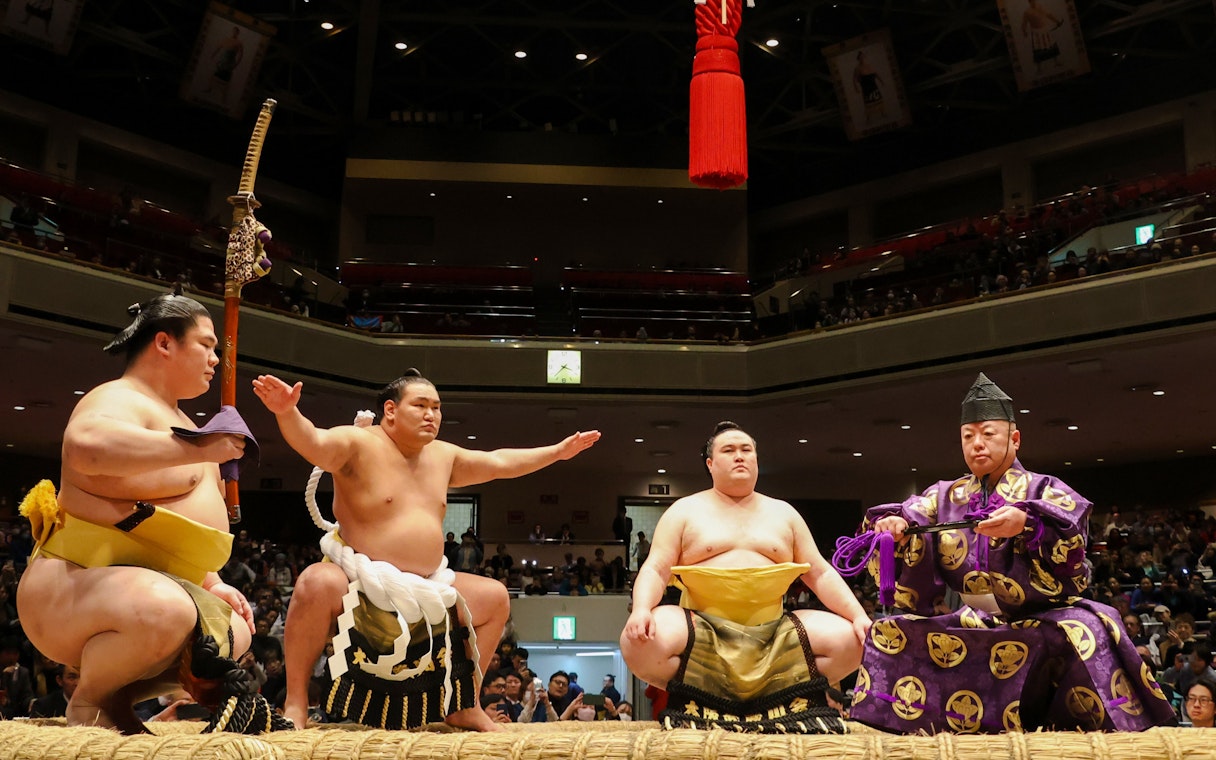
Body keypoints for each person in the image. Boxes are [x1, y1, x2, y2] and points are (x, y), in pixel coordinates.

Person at [252, 369, 600, 731]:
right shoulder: (357, 444)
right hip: (358, 581)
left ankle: (464, 704)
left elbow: (499, 463)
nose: (431, 414)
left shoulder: (443, 455)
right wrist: (286, 412)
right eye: (420, 405)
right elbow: (313, 442)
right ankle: (295, 701)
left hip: (427, 586)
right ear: (390, 410)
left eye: (436, 407)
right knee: (314, 581)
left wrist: (558, 452)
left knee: (495, 597)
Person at [850, 373, 1176, 733]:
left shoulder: (1043, 488)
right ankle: (896, 732)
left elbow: (1069, 525)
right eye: (968, 436)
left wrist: (1028, 523)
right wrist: (893, 528)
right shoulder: (944, 495)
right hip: (974, 617)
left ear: (1015, 439)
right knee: (890, 629)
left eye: (988, 434)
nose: (977, 444)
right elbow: (910, 513)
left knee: (1085, 630)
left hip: (1047, 615)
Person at [14, 293, 263, 735]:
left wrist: (213, 582)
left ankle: (119, 699)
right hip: (74, 583)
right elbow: (86, 447)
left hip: (138, 586)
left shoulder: (183, 419)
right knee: (166, 609)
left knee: (233, 631)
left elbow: (173, 531)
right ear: (164, 343)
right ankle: (90, 702)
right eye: (207, 345)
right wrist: (195, 445)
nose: (215, 359)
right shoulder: (118, 398)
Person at [621, 421, 867, 733]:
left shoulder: (784, 513)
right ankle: (710, 694)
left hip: (774, 635)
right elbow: (656, 569)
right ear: (710, 464)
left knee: (851, 639)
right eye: (729, 450)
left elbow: (818, 572)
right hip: (701, 632)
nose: (739, 456)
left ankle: (772, 697)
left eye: (746, 450)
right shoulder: (684, 511)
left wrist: (858, 615)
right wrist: (642, 609)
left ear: (756, 460)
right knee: (640, 643)